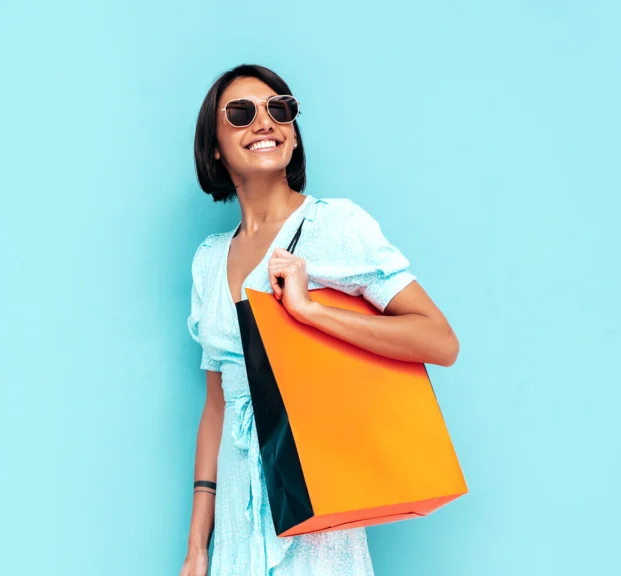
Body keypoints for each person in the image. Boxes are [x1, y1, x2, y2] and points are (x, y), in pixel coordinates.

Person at [180, 64, 460, 576]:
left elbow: (439, 340)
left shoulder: (334, 225)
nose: (265, 122)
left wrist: (311, 313)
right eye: (241, 114)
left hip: (315, 508)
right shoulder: (208, 260)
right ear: (215, 146)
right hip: (236, 529)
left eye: (279, 109)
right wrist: (198, 547)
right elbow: (217, 409)